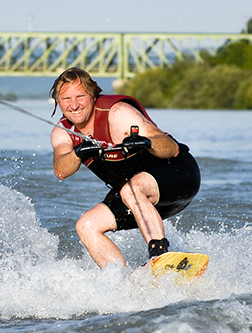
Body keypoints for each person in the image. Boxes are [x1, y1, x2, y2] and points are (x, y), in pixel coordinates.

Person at [49, 67, 200, 268]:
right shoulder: (63, 134)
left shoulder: (118, 114)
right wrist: (78, 152)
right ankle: (123, 282)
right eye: (66, 99)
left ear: (93, 96)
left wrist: (146, 143)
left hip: (179, 176)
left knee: (132, 189)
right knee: (87, 225)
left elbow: (171, 149)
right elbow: (61, 170)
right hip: (138, 200)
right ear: (58, 102)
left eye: (80, 96)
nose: (74, 105)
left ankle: (160, 255)